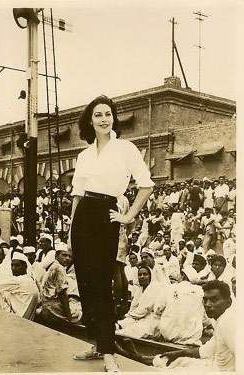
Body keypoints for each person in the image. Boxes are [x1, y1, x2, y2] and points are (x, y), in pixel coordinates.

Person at [68, 95, 154, 372]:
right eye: (98, 115)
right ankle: (96, 345)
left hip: (107, 215)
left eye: (108, 114)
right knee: (85, 283)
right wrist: (71, 232)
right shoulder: (83, 155)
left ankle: (109, 355)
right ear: (90, 121)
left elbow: (146, 185)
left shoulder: (126, 149)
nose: (104, 119)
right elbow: (77, 196)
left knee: (102, 285)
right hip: (83, 217)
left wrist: (128, 216)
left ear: (114, 117)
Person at [160, 280, 235, 372]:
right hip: (214, 366)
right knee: (176, 360)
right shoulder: (222, 320)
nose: (207, 304)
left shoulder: (228, 323)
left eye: (214, 300)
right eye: (205, 300)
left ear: (229, 303)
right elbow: (207, 350)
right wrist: (179, 353)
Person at [0, 252, 39, 320]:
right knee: (2, 291)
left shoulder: (19, 280)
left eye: (17, 265)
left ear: (25, 267)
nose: (13, 268)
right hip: (26, 317)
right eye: (12, 265)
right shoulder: (30, 279)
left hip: (16, 318)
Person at [41, 249, 82, 325]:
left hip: (46, 307)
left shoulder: (53, 266)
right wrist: (70, 318)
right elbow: (63, 294)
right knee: (79, 311)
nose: (67, 258)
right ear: (56, 256)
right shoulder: (60, 268)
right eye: (64, 255)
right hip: (54, 310)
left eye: (70, 257)